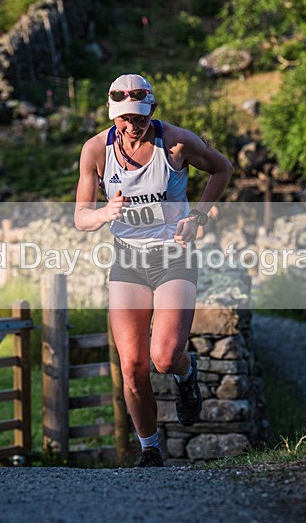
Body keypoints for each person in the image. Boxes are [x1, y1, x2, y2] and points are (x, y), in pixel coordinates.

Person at [74, 74, 233, 467]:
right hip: (128, 260)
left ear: (153, 110)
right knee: (132, 366)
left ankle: (186, 373)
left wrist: (198, 217)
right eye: (125, 118)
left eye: (141, 117)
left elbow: (222, 169)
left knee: (164, 356)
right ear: (111, 113)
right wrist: (103, 214)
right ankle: (150, 449)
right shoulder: (95, 150)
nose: (133, 125)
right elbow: (80, 217)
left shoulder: (176, 142)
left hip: (173, 255)